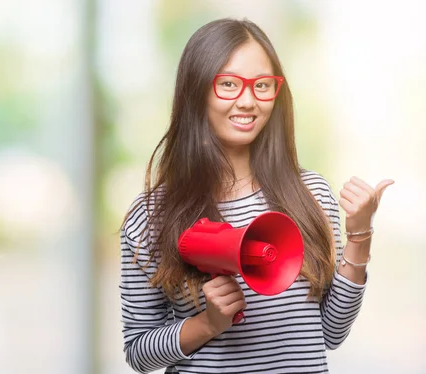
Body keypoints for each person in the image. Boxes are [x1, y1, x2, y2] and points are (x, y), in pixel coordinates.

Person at [119, 18, 393, 374]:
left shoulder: (310, 194)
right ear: (196, 89)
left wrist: (360, 235)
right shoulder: (152, 215)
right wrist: (208, 324)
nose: (248, 101)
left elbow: (331, 332)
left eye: (262, 85)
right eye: (229, 84)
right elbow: (139, 353)